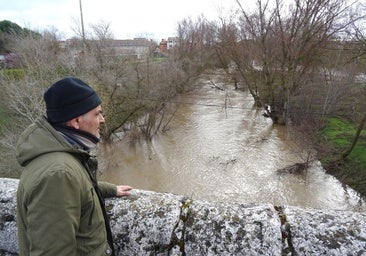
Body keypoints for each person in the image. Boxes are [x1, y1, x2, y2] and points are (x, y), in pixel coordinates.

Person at [16, 77, 133, 256]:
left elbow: (79, 189)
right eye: (97, 114)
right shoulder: (58, 174)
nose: (102, 120)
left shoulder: (60, 156)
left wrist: (111, 189)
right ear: (76, 121)